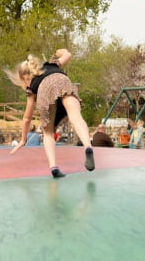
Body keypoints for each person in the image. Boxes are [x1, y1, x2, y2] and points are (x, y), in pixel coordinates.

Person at [9, 49, 99, 179]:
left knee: (48, 132)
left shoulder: (31, 88)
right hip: (62, 80)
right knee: (76, 117)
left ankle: (54, 167)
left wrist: (23, 139)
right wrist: (62, 52)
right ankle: (88, 146)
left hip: (44, 91)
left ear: (25, 77)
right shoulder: (51, 65)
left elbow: (27, 118)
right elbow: (68, 55)